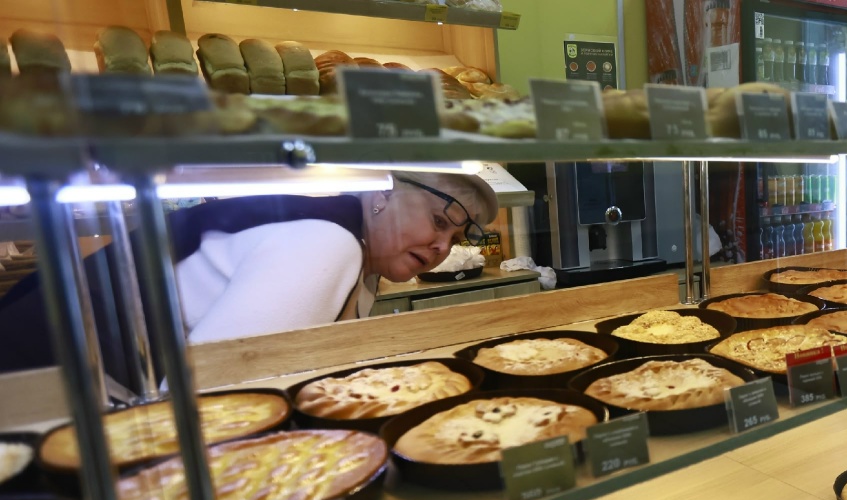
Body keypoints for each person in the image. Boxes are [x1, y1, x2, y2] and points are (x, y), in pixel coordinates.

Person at [0, 171, 499, 386]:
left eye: (456, 236)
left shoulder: (358, 258)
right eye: (439, 221)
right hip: (33, 387)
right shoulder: (324, 244)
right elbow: (216, 394)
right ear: (381, 194)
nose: (442, 247)